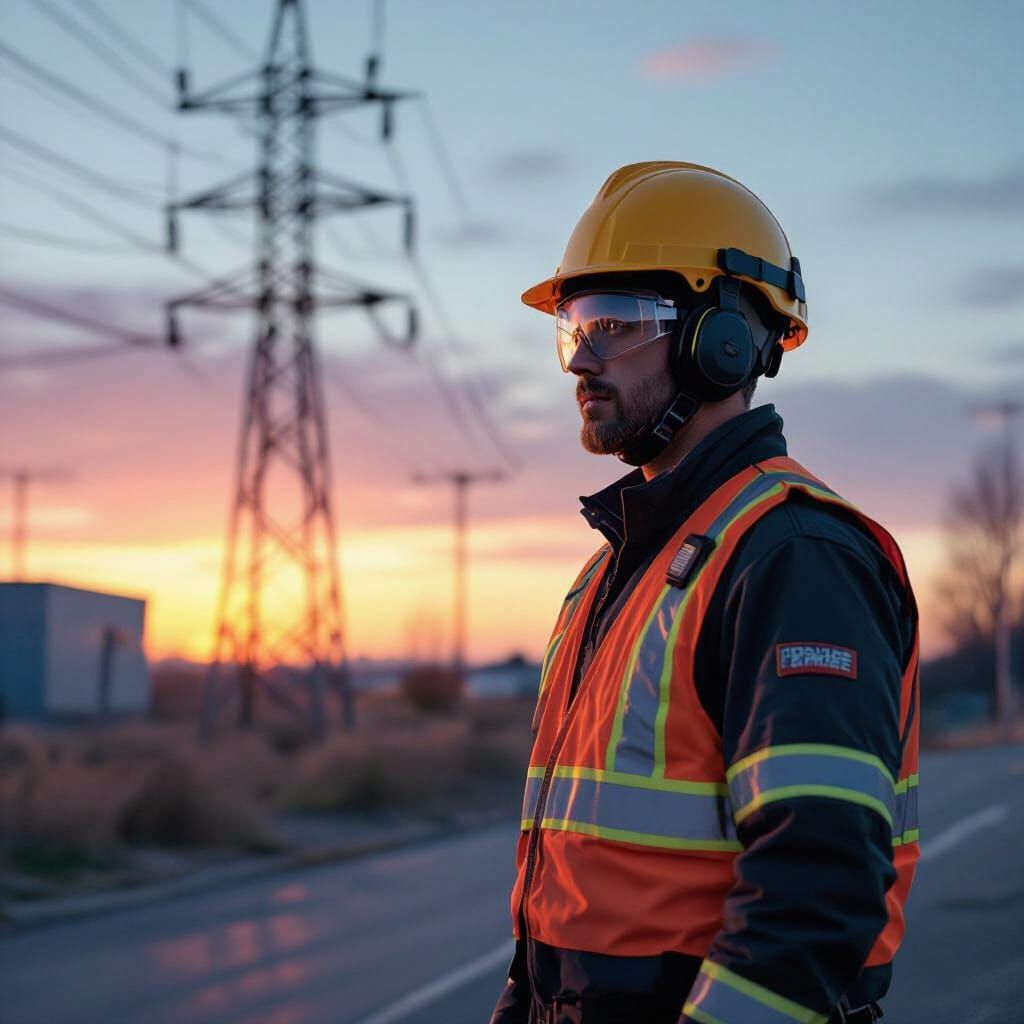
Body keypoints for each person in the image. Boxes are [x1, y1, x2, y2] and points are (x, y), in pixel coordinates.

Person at [489, 162, 920, 1024]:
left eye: (615, 323)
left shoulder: (792, 555)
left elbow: (818, 888)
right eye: (575, 328)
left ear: (722, 339)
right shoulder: (614, 572)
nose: (585, 360)